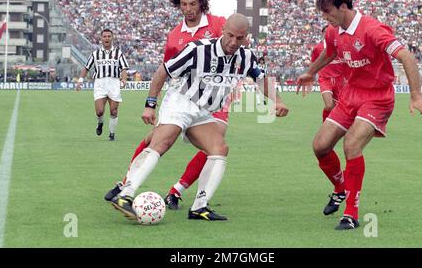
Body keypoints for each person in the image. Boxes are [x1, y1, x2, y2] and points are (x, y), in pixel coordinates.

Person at [110, 13, 289, 221]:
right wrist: (150, 104)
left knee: (219, 149)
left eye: (239, 38)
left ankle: (199, 207)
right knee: (163, 141)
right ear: (223, 30)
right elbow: (163, 71)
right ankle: (125, 194)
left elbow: (261, 79)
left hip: (203, 111)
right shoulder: (198, 49)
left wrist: (278, 101)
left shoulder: (246, 57)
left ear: (246, 37)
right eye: (230, 35)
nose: (233, 42)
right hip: (180, 102)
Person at [296, 0, 422, 230]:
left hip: (377, 97)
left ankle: (351, 213)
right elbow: (330, 53)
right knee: (320, 146)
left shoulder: (372, 29)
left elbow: (406, 57)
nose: (324, 17)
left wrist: (416, 95)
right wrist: (310, 72)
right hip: (351, 95)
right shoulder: (333, 31)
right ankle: (340, 189)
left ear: (343, 7)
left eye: (327, 11)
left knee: (351, 144)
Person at [104, 0, 228, 210]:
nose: (188, 9)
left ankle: (180, 193)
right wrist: (151, 103)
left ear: (202, 2)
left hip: (213, 99)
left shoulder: (219, 24)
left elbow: (235, 45)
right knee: (158, 139)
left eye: (193, 3)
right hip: (182, 98)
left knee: (217, 144)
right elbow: (166, 70)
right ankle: (126, 186)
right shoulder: (174, 37)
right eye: (183, 4)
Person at [76, 29, 129, 141]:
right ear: (101, 38)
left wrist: (124, 79)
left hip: (114, 83)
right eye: (104, 36)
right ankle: (100, 123)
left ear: (112, 38)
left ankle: (112, 133)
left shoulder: (118, 53)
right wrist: (80, 80)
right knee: (99, 111)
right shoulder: (95, 54)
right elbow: (86, 68)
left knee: (113, 110)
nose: (107, 38)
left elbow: (124, 68)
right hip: (100, 83)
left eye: (109, 36)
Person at [309, 25, 347, 122]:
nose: (327, 34)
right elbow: (313, 63)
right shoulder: (318, 48)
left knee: (341, 108)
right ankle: (325, 124)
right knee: (329, 105)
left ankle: (335, 126)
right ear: (322, 34)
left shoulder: (341, 45)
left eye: (329, 32)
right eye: (325, 32)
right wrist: (310, 76)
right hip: (325, 79)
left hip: (340, 80)